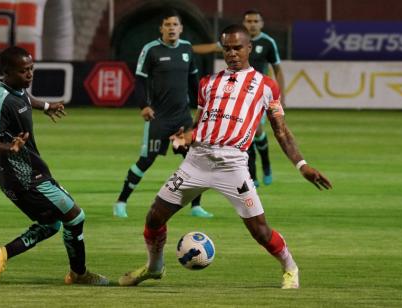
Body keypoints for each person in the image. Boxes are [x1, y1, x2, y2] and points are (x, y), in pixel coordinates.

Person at [118, 25, 332, 289]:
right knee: (153, 218)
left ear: (249, 48)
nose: (231, 53)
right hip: (196, 162)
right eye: (227, 48)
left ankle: (290, 268)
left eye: (237, 48)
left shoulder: (266, 87)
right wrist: (184, 138)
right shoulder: (208, 83)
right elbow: (200, 124)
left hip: (233, 165)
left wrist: (302, 165)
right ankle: (154, 267)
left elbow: (282, 131)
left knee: (260, 231)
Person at [0, 46, 108, 287]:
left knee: (51, 224)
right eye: (23, 71)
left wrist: (47, 107)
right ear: (8, 71)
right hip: (28, 178)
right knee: (76, 216)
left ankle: (1, 255)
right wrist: (10, 148)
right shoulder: (0, 101)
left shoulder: (16, 89)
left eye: (31, 69)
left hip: (20, 177)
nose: (29, 74)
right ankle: (79, 274)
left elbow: (26, 98)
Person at [113, 9, 213, 219]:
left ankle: (196, 206)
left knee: (196, 159)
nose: (171, 29)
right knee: (146, 160)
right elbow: (139, 80)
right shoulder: (151, 50)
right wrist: (143, 106)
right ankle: (121, 202)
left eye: (175, 25)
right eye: (167, 25)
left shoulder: (186, 49)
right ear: (161, 29)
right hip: (159, 118)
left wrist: (204, 105)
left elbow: (194, 80)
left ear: (181, 29)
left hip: (182, 119)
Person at [193, 9, 285, 187]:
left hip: (257, 94)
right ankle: (253, 175)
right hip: (238, 94)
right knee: (245, 134)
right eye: (249, 21)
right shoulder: (235, 40)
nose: (252, 24)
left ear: (261, 24)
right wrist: (187, 48)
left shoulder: (268, 42)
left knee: (256, 131)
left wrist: (280, 96)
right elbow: (212, 47)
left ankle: (265, 164)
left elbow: (278, 69)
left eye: (255, 21)